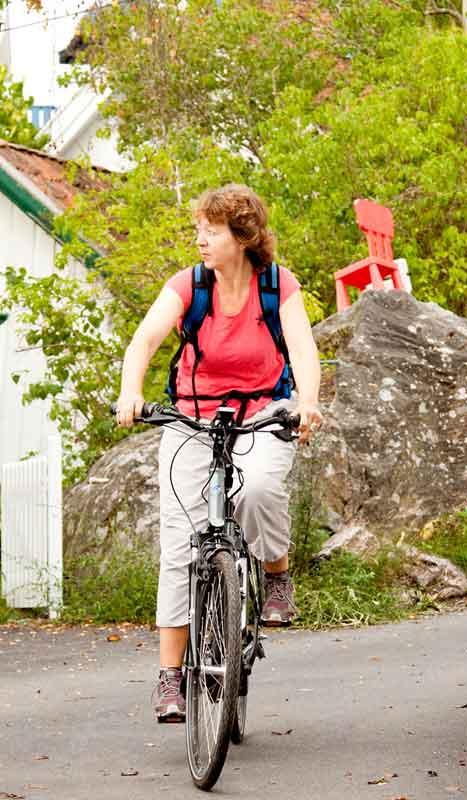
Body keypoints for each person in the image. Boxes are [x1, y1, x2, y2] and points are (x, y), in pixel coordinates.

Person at [113, 184, 325, 723]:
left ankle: (275, 575)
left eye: (212, 230)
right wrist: (130, 392)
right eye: (200, 229)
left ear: (243, 236)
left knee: (258, 488)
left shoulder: (277, 286)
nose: (201, 239)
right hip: (193, 416)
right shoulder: (189, 286)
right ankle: (170, 676)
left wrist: (307, 403)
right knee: (179, 545)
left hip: (262, 412)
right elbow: (143, 341)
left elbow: (303, 350)